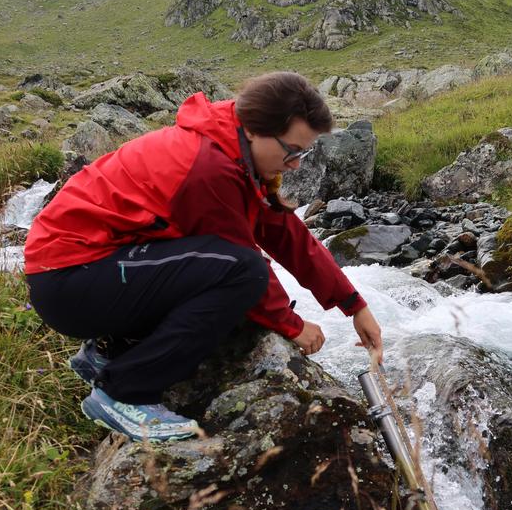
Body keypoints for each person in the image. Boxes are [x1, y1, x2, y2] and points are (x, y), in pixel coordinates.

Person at [24, 72, 383, 442]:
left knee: (220, 268)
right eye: (291, 151)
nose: (295, 164)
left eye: (303, 153)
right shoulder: (208, 167)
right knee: (243, 273)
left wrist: (353, 304)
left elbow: (281, 230)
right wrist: (291, 326)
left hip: (85, 271)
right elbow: (242, 262)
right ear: (256, 130)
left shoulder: (229, 144)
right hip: (71, 280)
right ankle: (124, 392)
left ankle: (108, 352)